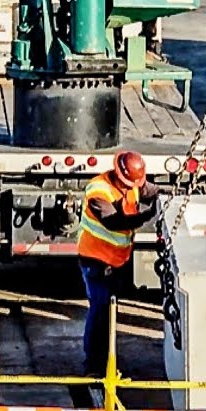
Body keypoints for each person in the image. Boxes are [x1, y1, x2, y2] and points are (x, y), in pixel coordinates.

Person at [76, 150, 160, 376]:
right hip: (95, 260)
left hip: (116, 260)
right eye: (126, 183)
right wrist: (147, 216)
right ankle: (94, 365)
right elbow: (115, 221)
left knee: (109, 309)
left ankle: (104, 359)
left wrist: (166, 197)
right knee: (100, 310)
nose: (130, 187)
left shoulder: (132, 182)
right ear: (117, 174)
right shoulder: (98, 191)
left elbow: (150, 191)